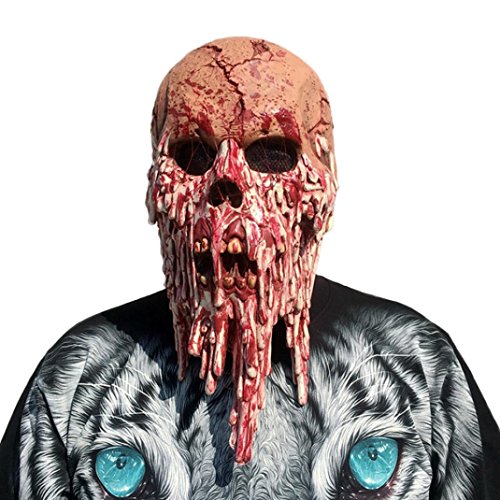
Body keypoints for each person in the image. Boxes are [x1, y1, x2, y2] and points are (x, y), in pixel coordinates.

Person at [1, 37, 499, 499]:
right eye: (192, 155)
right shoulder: (78, 369)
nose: (227, 186)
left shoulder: (419, 355)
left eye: (271, 155)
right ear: (156, 188)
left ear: (323, 183)